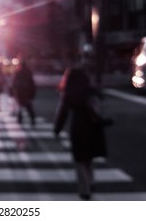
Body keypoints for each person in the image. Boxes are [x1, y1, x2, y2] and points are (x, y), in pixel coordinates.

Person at [54, 67, 108, 200]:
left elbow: (62, 113)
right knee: (89, 158)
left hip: (78, 127)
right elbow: (98, 108)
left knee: (79, 159)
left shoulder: (69, 93)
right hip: (93, 128)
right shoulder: (90, 91)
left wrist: (57, 129)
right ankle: (91, 182)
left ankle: (84, 189)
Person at [11, 60, 36, 125]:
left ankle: (20, 118)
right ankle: (32, 118)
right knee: (28, 106)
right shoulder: (28, 72)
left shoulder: (18, 72)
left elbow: (14, 83)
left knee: (20, 105)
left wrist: (13, 91)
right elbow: (32, 83)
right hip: (26, 91)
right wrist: (32, 92)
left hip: (19, 91)